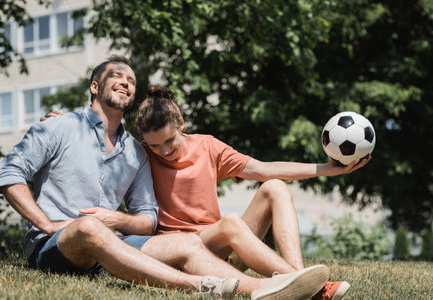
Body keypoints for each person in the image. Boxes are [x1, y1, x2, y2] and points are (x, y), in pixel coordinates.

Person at [0, 55, 331, 300]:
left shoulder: (137, 153)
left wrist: (117, 218)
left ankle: (271, 289)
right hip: (54, 248)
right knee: (87, 227)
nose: (126, 80)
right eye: (117, 75)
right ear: (95, 87)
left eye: (131, 79)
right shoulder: (60, 125)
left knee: (187, 242)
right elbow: (9, 174)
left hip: (109, 247)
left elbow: (147, 219)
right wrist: (50, 225)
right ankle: (204, 286)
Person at [134, 86, 371, 300]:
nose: (163, 150)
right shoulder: (140, 155)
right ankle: (314, 287)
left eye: (169, 140)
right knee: (230, 222)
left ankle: (300, 278)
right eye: (155, 145)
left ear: (181, 124)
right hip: (181, 253)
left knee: (274, 187)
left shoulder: (208, 146)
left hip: (220, 248)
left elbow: (264, 169)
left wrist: (327, 169)